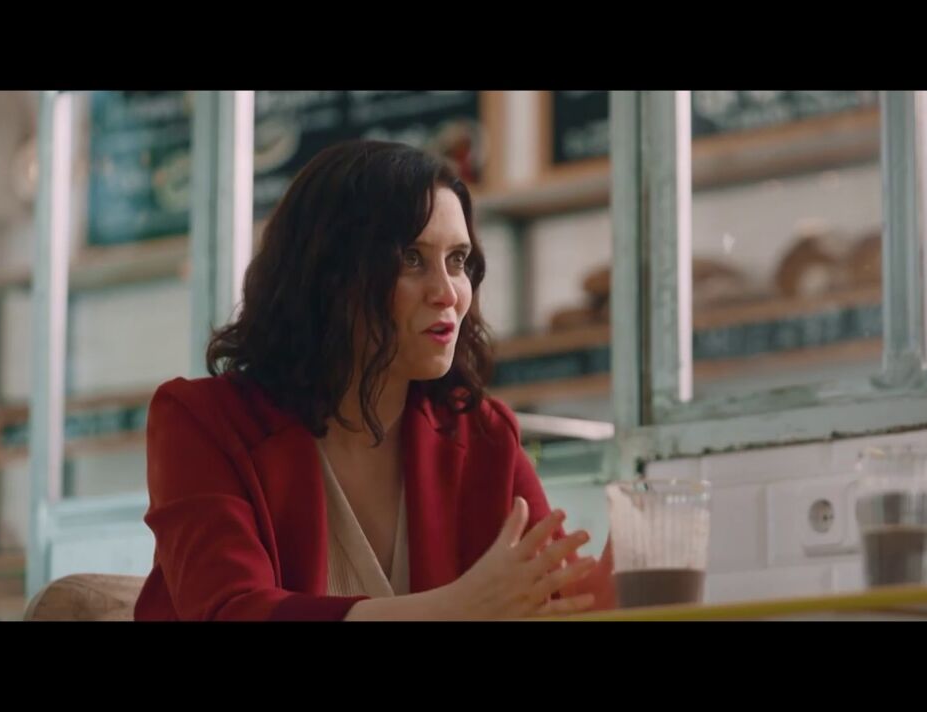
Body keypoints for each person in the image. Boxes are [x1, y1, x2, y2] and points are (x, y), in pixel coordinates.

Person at [135, 139, 615, 620]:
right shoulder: (201, 421)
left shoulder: (484, 434)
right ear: (327, 273)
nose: (447, 293)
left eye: (457, 260)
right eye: (411, 259)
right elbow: (231, 612)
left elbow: (565, 606)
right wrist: (458, 608)